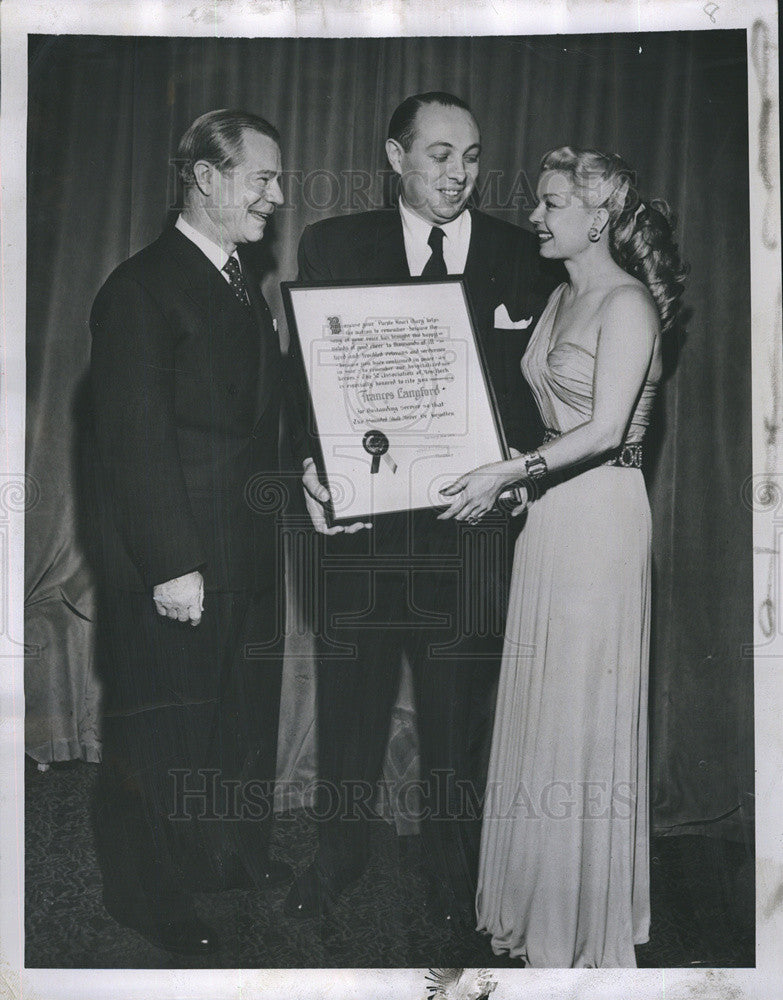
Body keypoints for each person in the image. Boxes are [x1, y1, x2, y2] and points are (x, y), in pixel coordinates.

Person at [286, 92, 560, 924]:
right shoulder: (333, 245)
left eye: (472, 157)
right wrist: (309, 467)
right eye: (439, 155)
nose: (458, 173)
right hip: (364, 533)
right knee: (349, 709)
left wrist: (515, 479)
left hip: (469, 536)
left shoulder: (526, 256)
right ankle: (335, 859)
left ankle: (451, 875)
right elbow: (306, 379)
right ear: (395, 156)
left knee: (457, 720)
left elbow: (546, 401)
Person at [438, 147, 686, 966]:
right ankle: (530, 901)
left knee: (580, 707)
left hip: (605, 518)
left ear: (597, 215)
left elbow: (609, 429)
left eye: (550, 204)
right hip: (546, 516)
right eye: (539, 203)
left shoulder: (627, 306)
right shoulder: (554, 299)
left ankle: (576, 923)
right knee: (543, 701)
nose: (535, 217)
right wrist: (514, 485)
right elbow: (548, 428)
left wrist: (513, 471)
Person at [89, 109, 299, 956]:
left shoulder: (242, 282)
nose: (277, 197)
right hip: (180, 562)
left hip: (249, 551)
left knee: (238, 721)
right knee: (165, 732)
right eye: (262, 179)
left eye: (277, 180)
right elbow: (132, 442)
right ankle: (149, 896)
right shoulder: (139, 289)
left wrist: (311, 480)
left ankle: (225, 857)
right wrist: (174, 564)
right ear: (206, 179)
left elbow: (257, 421)